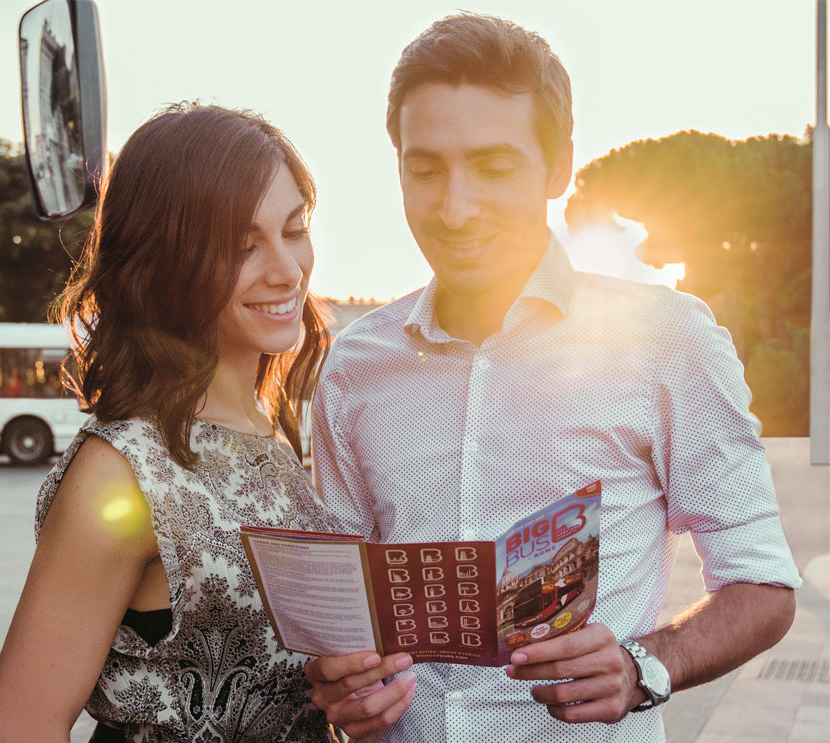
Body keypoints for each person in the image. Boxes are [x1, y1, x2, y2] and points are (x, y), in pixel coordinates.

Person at [304, 13, 801, 743]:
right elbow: (345, 617)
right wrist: (337, 675)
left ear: (560, 168)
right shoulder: (353, 370)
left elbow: (764, 584)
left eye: (494, 167)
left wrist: (641, 666)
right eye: (425, 167)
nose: (455, 206)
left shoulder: (666, 339)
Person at [0, 103, 341, 743]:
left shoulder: (271, 424)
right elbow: (20, 726)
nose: (287, 270)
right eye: (240, 246)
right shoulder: (122, 471)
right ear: (166, 259)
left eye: (294, 230)